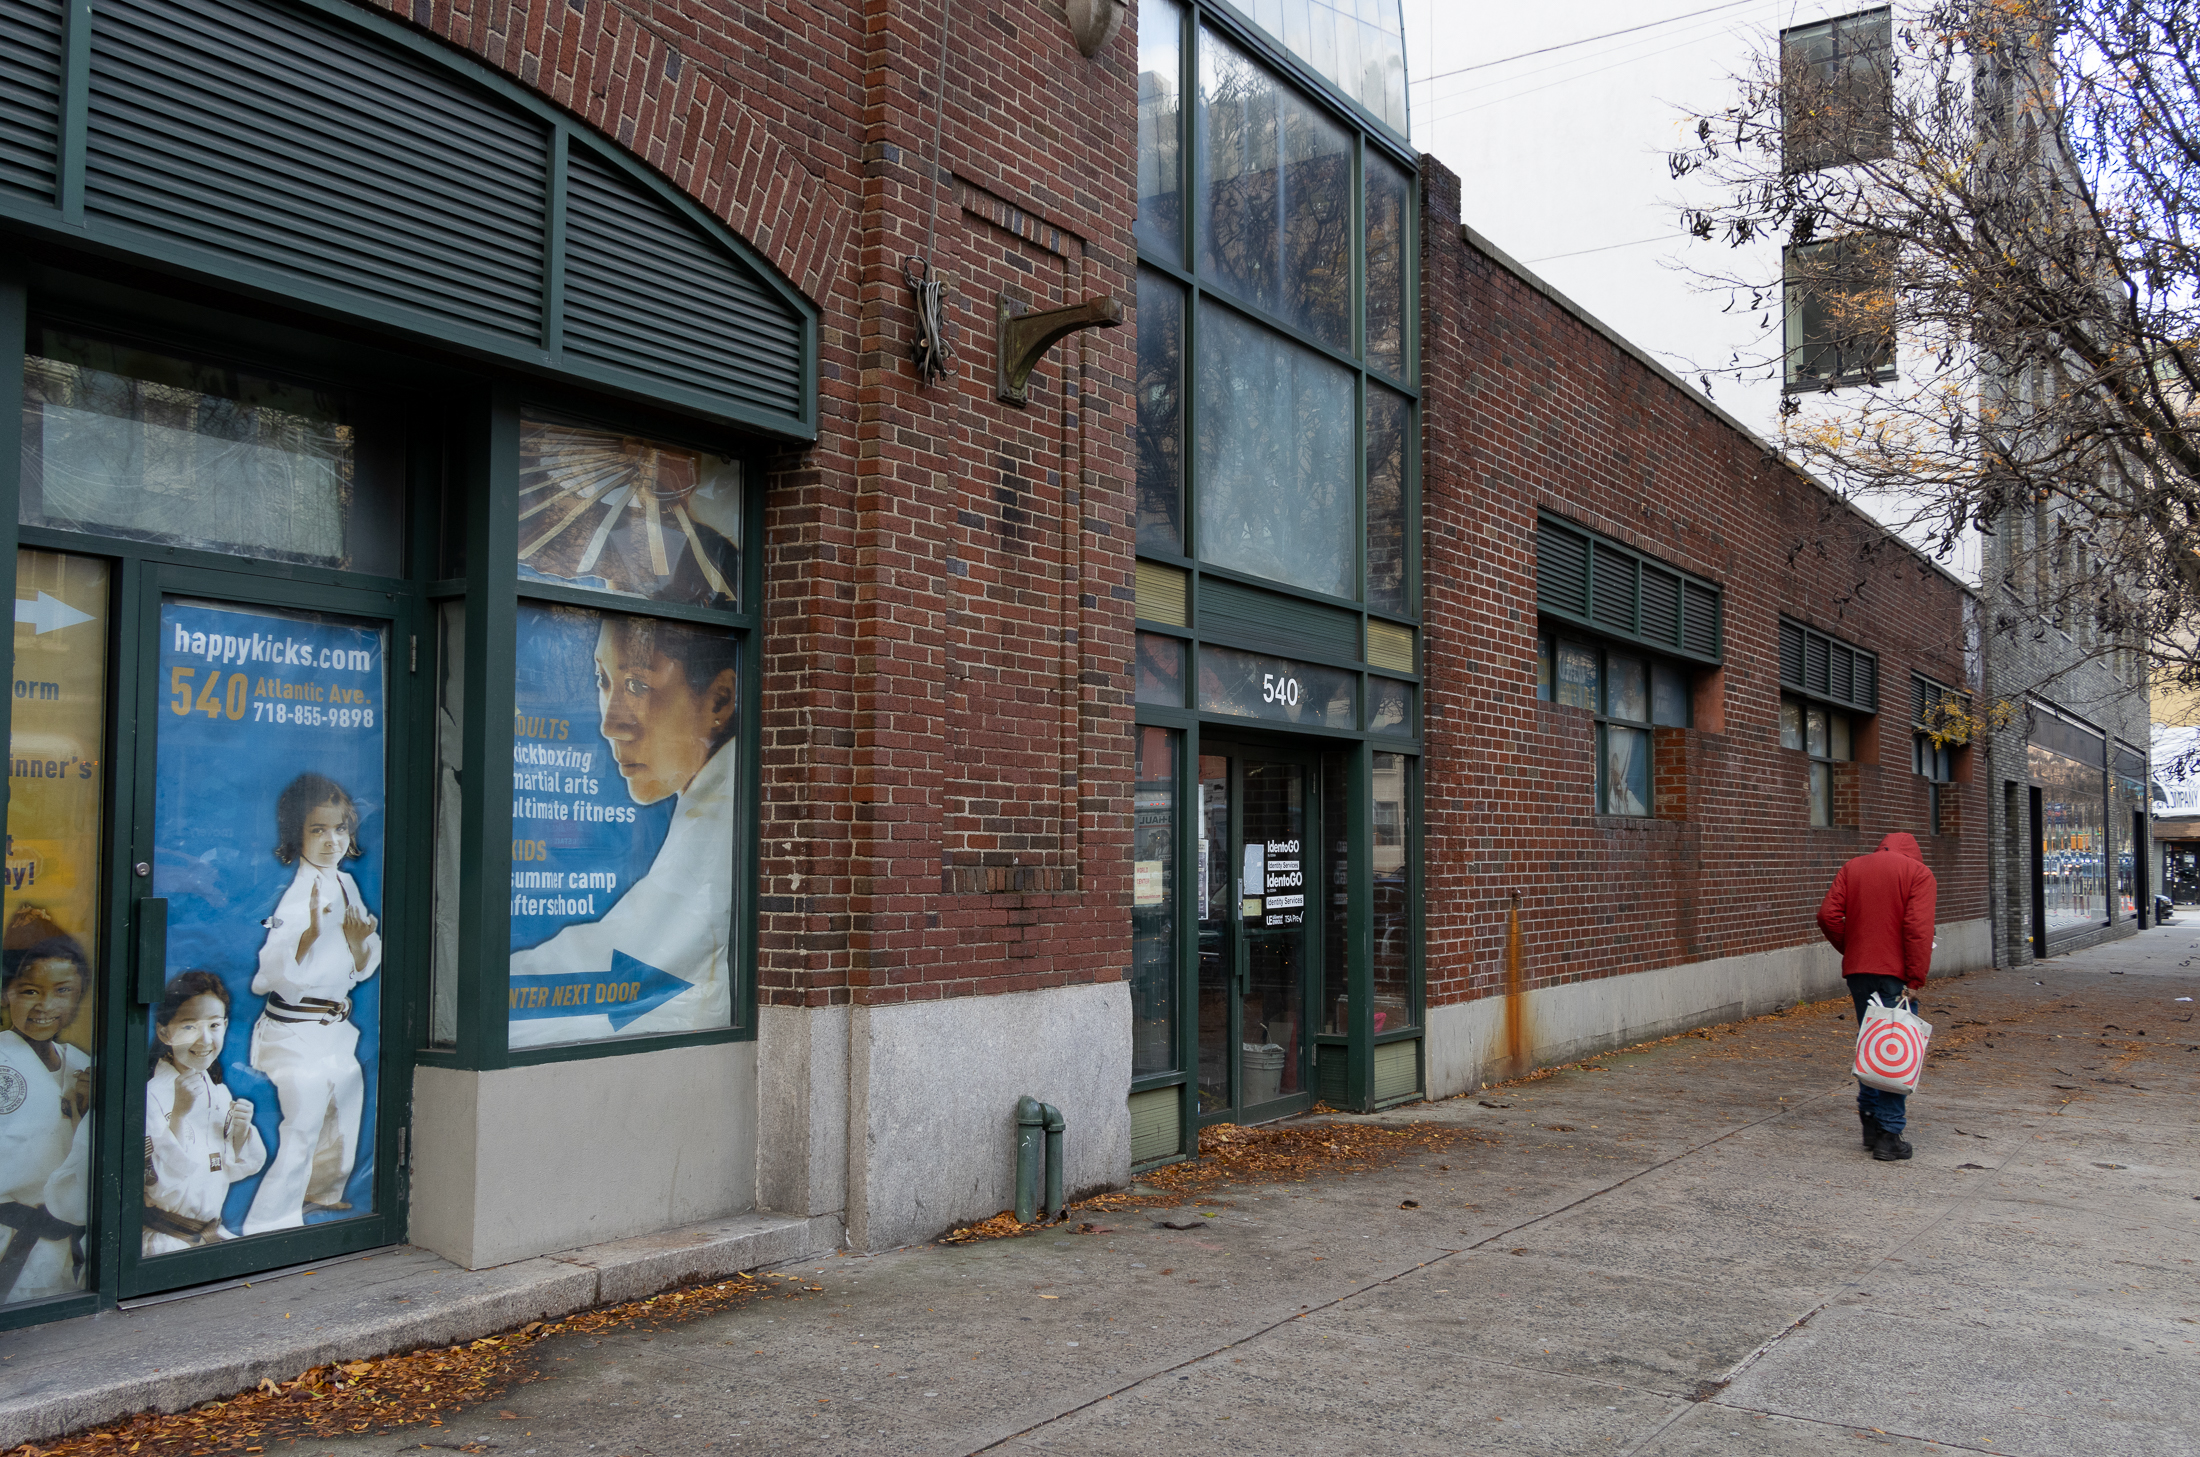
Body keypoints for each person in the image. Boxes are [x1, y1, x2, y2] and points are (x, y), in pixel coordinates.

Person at [508, 614, 737, 1048]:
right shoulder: (715, 799)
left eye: (637, 685)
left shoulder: (723, 817)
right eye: (603, 679)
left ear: (720, 700)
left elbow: (638, 956)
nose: (610, 723)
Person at [242, 774, 380, 1235]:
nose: (331, 840)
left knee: (344, 1105)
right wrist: (303, 940)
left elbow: (360, 967)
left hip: (332, 1026)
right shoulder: (299, 893)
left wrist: (360, 946)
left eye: (339, 829)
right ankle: (270, 1220)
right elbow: (269, 976)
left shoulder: (344, 884)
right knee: (302, 1122)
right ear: (295, 835)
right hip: (294, 1028)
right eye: (317, 830)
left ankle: (322, 1193)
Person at [1816, 830, 1937, 1161]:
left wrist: (1852, 948)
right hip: (1895, 974)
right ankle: (1889, 1134)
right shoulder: (1918, 873)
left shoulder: (1853, 867)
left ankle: (1870, 1125)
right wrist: (1915, 976)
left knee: (1871, 1043)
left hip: (1859, 971)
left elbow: (1827, 915)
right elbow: (1918, 929)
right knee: (1893, 1046)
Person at [0, 915, 92, 1303]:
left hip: (72, 1252)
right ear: (6, 993)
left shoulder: (82, 1065)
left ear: (78, 995)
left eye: (62, 991)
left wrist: (88, 1110)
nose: (46, 1006)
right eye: (29, 991)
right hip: (10, 1238)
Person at [143, 970, 265, 1253]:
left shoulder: (219, 1092)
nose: (204, 1040)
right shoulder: (150, 1094)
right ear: (164, 1032)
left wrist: (240, 1133)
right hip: (165, 1241)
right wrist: (179, 1115)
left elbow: (229, 1170)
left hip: (207, 1235)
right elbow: (158, 1186)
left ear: (225, 1025)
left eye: (213, 1025)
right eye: (189, 1027)